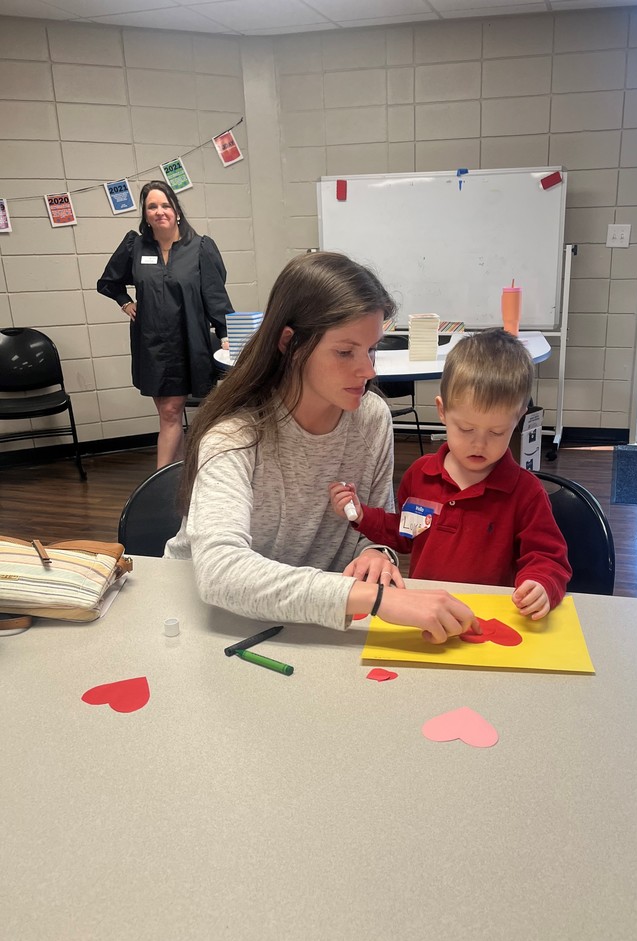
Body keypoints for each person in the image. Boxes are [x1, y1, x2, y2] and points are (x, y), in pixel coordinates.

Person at [164, 251, 480, 644]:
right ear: (290, 344)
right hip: (204, 623)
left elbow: (374, 524)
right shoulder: (235, 436)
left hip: (306, 624)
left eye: (372, 349)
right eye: (345, 352)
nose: (368, 370)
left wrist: (376, 555)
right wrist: (376, 598)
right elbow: (221, 574)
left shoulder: (371, 418)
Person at [330, 329, 572, 620]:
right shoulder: (421, 475)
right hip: (427, 613)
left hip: (488, 618)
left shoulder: (526, 493)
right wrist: (363, 515)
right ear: (442, 412)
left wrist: (541, 583)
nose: (479, 444)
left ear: (517, 419)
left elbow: (548, 557)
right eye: (466, 429)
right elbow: (404, 535)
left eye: (497, 432)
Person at [97, 180, 233, 468]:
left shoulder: (200, 247)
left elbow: (216, 296)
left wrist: (225, 334)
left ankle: (157, 484)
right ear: (145, 214)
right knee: (169, 413)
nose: (160, 211)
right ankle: (182, 479)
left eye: (165, 205)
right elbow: (108, 282)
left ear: (177, 211)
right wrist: (125, 301)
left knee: (171, 412)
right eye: (152, 206)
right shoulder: (135, 246)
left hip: (189, 339)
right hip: (152, 343)